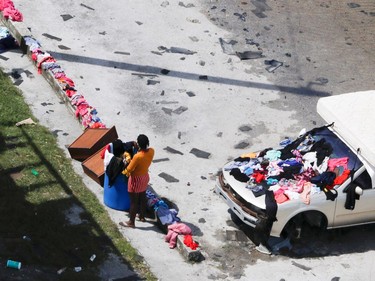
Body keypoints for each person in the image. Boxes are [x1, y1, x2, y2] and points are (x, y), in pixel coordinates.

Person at [119, 134, 154, 228]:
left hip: (136, 180)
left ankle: (131, 222)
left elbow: (130, 169)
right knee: (142, 197)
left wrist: (123, 171)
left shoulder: (138, 156)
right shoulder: (151, 151)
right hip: (145, 177)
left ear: (138, 144)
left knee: (133, 201)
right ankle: (142, 216)